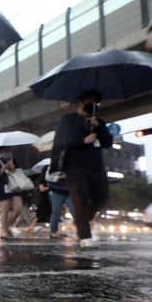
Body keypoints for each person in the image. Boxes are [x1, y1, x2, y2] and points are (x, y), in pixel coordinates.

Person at [52, 90, 112, 249]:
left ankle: (78, 222)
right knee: (81, 200)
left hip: (96, 166)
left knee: (102, 197)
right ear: (81, 102)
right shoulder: (68, 119)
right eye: (91, 101)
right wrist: (82, 140)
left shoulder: (99, 121)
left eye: (96, 103)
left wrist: (99, 128)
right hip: (75, 166)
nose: (94, 105)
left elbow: (107, 142)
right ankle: (85, 237)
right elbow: (60, 141)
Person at [0, 146, 23, 240]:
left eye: (9, 150)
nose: (8, 152)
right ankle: (4, 231)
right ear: (0, 151)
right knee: (6, 208)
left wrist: (13, 168)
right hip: (2, 188)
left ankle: (6, 227)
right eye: (5, 151)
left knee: (18, 208)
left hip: (14, 187)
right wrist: (4, 167)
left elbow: (17, 173)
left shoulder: (13, 160)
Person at [45, 165, 74, 239]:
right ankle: (53, 231)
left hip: (69, 191)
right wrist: (60, 177)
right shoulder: (53, 165)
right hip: (56, 191)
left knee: (74, 211)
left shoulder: (71, 165)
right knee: (56, 212)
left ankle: (80, 231)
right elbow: (47, 177)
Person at [28, 165, 52, 234]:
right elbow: (42, 189)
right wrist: (49, 187)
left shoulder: (49, 179)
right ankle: (31, 227)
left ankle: (31, 227)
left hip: (47, 199)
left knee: (48, 214)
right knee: (39, 215)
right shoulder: (42, 180)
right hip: (43, 199)